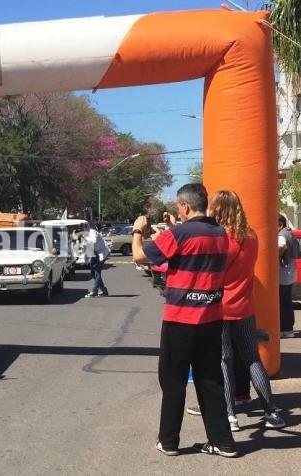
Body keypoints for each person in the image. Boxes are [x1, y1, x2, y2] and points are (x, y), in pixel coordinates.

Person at [131, 183, 236, 458]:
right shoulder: (220, 233)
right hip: (211, 317)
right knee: (211, 380)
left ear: (185, 206)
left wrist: (137, 231)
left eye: (178, 206)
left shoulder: (180, 233)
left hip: (180, 319)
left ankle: (169, 441)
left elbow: (139, 255)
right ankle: (222, 441)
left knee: (173, 380)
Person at [205, 190, 286, 431]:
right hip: (244, 306)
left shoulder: (218, 238)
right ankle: (271, 411)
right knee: (252, 358)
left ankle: (230, 416)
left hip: (219, 307)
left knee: (224, 360)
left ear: (217, 209)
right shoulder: (251, 236)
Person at [277, 215, 297, 338]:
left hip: (282, 274)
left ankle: (284, 328)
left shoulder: (281, 235)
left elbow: (280, 247)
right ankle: (289, 329)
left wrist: (276, 255)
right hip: (290, 273)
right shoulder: (290, 234)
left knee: (281, 303)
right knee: (287, 302)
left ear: (280, 224)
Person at [84, 226, 109, 297]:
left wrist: (86, 238)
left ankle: (94, 291)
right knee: (92, 273)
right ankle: (103, 290)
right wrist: (86, 259)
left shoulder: (92, 232)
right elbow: (88, 247)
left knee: (97, 272)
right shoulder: (86, 234)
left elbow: (93, 241)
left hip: (101, 253)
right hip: (95, 253)